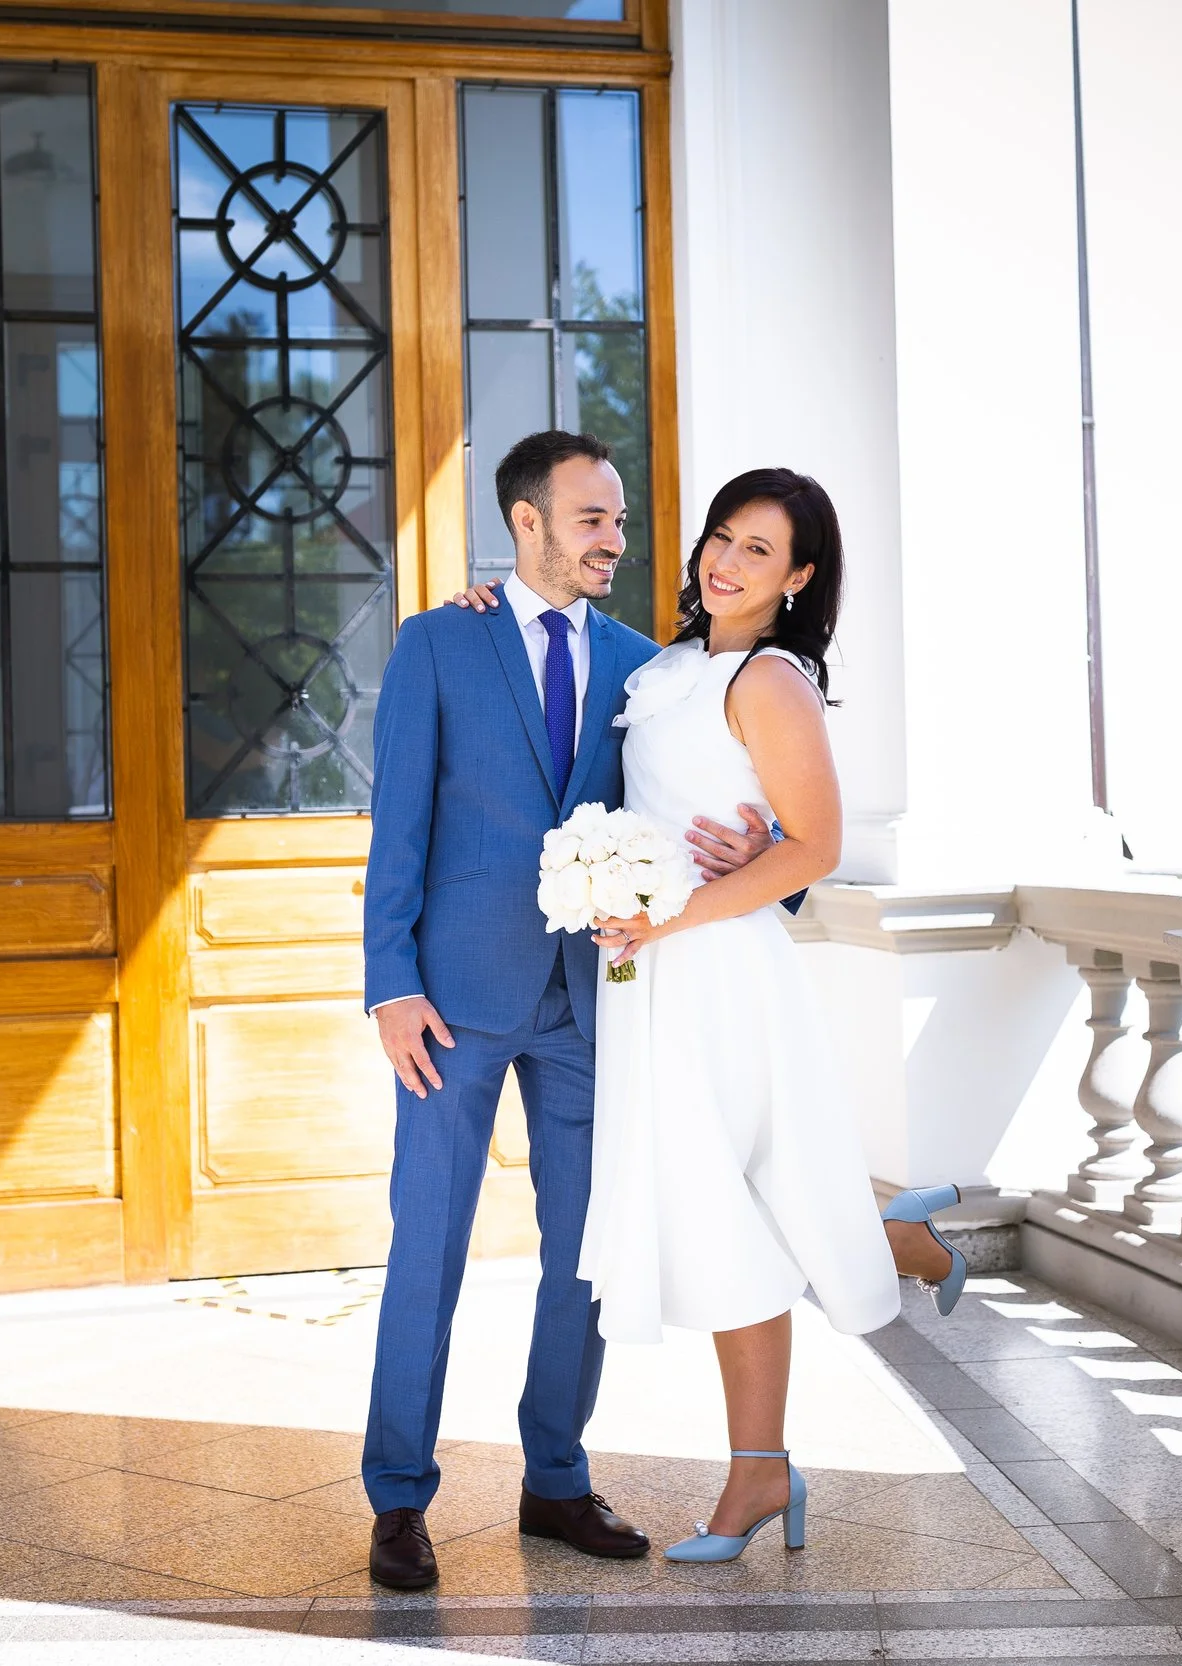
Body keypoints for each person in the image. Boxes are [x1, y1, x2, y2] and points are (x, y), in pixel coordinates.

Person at [423, 463, 975, 1568]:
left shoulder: (772, 680)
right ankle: (896, 1243)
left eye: (758, 550)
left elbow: (814, 848)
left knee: (724, 1215)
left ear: (800, 576)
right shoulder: (667, 665)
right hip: (649, 980)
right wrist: (489, 602)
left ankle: (757, 1471)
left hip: (715, 974)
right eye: (721, 537)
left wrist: (675, 910)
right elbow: (565, 663)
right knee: (715, 1207)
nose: (724, 560)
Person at [358, 430, 783, 1590]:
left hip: (595, 1004)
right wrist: (389, 983)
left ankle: (554, 1473)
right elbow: (396, 822)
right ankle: (399, 1496)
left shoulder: (650, 669)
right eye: (592, 518)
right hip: (449, 1002)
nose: (615, 539)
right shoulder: (437, 642)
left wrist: (753, 842)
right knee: (428, 1248)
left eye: (620, 519)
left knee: (584, 1256)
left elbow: (701, 792)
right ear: (527, 523)